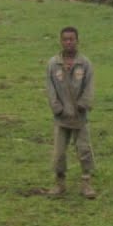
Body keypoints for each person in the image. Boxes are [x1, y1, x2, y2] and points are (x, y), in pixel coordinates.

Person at [45, 26, 96, 198]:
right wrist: (56, 108)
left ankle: (86, 183)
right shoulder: (53, 64)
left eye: (71, 39)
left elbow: (89, 87)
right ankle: (59, 183)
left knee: (84, 149)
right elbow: (50, 88)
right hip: (61, 117)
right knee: (59, 152)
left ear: (77, 40)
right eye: (65, 39)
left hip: (80, 116)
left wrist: (83, 104)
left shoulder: (85, 63)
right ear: (61, 41)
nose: (68, 42)